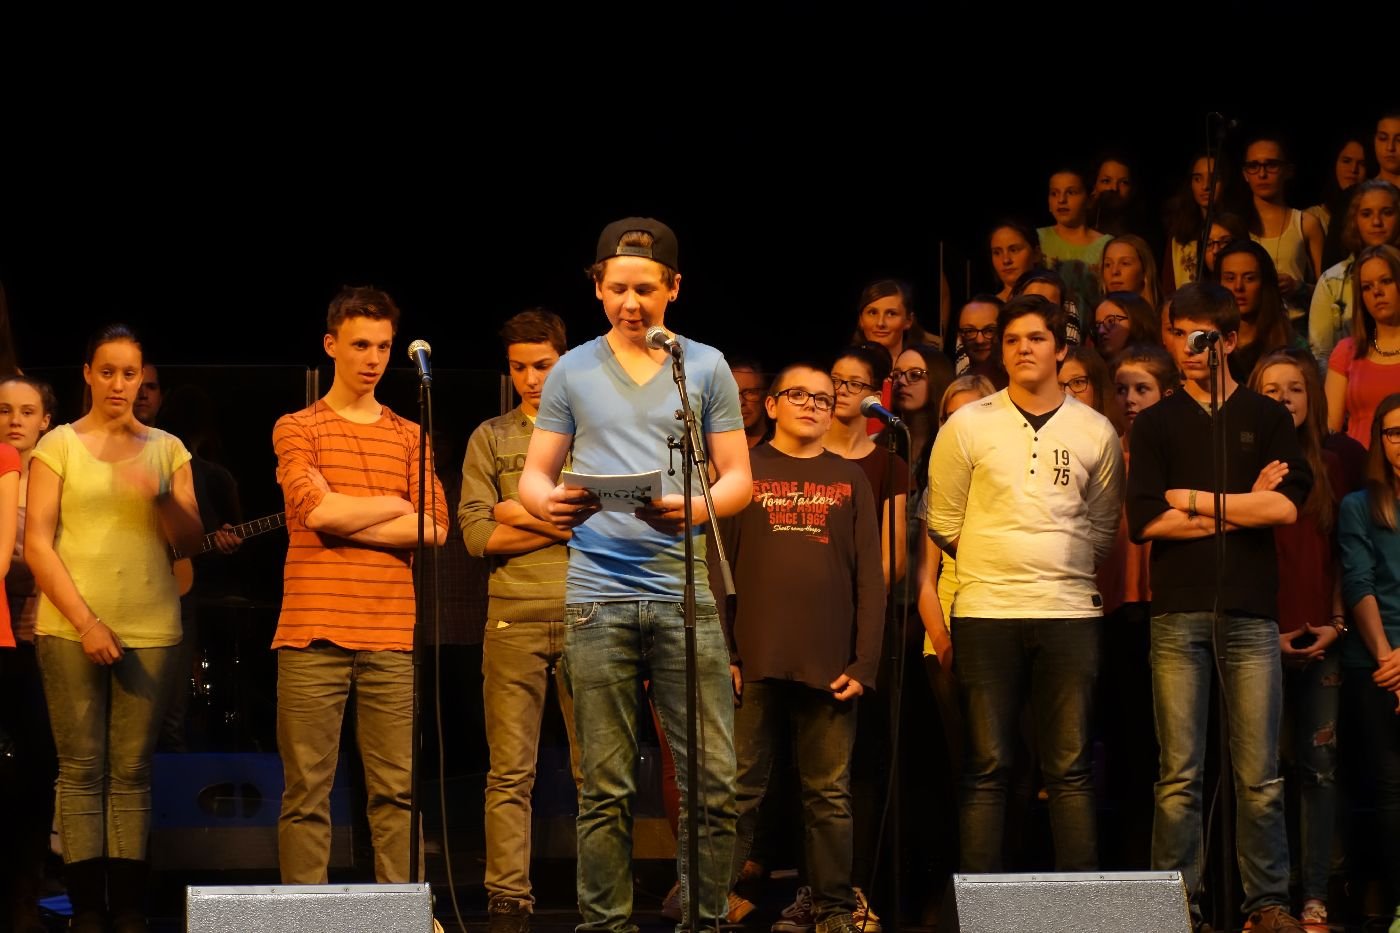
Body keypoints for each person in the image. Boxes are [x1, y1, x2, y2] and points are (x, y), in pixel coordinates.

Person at [518, 217, 752, 933]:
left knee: (712, 781)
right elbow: (534, 474)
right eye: (617, 287)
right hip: (597, 597)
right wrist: (548, 503)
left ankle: (703, 920)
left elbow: (738, 477)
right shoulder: (573, 369)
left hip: (684, 595)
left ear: (673, 288)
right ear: (597, 287)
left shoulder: (702, 366)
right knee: (606, 786)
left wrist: (698, 505)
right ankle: (605, 925)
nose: (631, 302)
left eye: (645, 288)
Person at [1127, 281, 1313, 933]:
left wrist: (1195, 499)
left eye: (1202, 335)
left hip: (1250, 610)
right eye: (1179, 333)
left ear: (1230, 340)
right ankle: (1177, 909)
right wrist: (1240, 505)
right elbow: (1146, 522)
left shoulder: (1267, 417)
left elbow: (1285, 508)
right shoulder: (1156, 422)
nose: (1188, 346)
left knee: (1259, 773)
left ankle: (1267, 903)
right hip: (1178, 610)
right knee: (1179, 773)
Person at [927, 294, 1124, 873]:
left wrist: (1052, 565)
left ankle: (1079, 907)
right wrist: (998, 560)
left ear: (1060, 349)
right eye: (1012, 340)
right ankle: (981, 909)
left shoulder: (1095, 430)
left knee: (1069, 768)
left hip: (1069, 613)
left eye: (1036, 338)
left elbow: (1103, 529)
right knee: (987, 766)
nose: (1022, 349)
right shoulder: (967, 424)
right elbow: (943, 520)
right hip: (986, 610)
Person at [25, 324, 203, 933]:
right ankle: (86, 911)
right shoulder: (58, 445)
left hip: (150, 627)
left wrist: (162, 496)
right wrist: (88, 622)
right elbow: (38, 543)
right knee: (80, 770)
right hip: (71, 628)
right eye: (108, 372)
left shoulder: (168, 449)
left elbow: (190, 541)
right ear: (88, 375)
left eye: (130, 374)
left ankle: (127, 907)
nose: (119, 384)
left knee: (130, 773)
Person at [271, 286, 448, 885]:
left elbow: (434, 527)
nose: (373, 358)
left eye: (382, 346)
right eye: (359, 345)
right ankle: (307, 920)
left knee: (397, 792)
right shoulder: (297, 427)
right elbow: (314, 510)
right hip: (312, 633)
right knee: (306, 794)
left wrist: (346, 513)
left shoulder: (409, 434)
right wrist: (394, 504)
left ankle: (398, 915)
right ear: (331, 345)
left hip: (390, 635)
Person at [725, 364, 883, 933]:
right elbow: (718, 570)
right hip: (753, 659)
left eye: (823, 397)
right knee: (738, 789)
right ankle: (711, 901)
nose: (813, 405)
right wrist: (725, 653)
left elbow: (871, 579)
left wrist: (864, 662)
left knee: (828, 795)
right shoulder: (742, 471)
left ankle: (834, 908)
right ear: (770, 405)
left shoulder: (850, 478)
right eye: (798, 395)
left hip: (830, 665)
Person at [459, 309, 581, 933]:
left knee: (597, 771)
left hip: (589, 614)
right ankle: (508, 897)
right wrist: (562, 524)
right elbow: (478, 535)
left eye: (542, 365)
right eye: (519, 367)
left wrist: (518, 510)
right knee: (509, 771)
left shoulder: (596, 430)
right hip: (512, 618)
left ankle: (602, 895)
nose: (531, 378)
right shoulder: (490, 436)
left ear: (565, 359)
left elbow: (612, 522)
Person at [1249, 350, 1351, 932]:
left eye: (1295, 389)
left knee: (1320, 769)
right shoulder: (1246, 466)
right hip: (1260, 638)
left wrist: (1335, 624)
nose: (1284, 399)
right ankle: (1269, 896)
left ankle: (1315, 892)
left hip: (1321, 640)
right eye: (1271, 389)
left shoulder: (1330, 466)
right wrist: (1271, 630)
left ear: (1312, 399)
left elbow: (1341, 557)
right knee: (1264, 771)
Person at [1337, 392, 1400, 933]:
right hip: (1375, 661)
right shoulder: (1359, 505)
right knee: (1389, 786)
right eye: (1393, 432)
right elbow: (1359, 583)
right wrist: (1389, 664)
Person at [0, 376, 56, 933]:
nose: (15, 420)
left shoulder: (54, 475)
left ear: (45, 420)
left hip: (40, 636)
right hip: (2, 633)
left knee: (39, 765)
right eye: (4, 410)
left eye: (26, 411)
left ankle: (26, 892)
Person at [1308, 179, 1400, 368]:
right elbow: (1321, 354)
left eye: (1387, 213)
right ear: (1354, 220)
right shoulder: (1332, 281)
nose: (1377, 222)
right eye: (1366, 214)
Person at [1325, 244, 1400, 448]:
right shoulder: (1347, 351)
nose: (1377, 291)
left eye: (1386, 281)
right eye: (1367, 287)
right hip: (1357, 462)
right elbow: (1330, 428)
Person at [1215, 239, 1299, 383]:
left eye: (1249, 278)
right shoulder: (1209, 341)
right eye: (1230, 278)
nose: (1238, 287)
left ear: (1264, 284)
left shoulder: (1291, 344)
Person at [988, 221, 1043, 304]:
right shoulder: (987, 308)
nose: (1006, 260)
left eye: (1014, 250)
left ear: (1036, 254)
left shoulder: (1052, 303)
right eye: (997, 253)